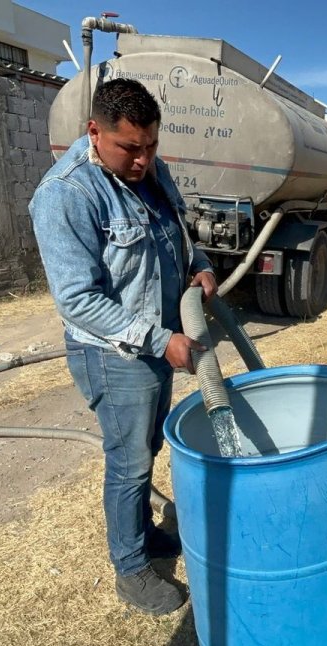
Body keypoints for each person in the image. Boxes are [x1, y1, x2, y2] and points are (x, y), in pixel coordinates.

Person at [29, 78, 217, 616]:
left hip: (158, 346)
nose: (143, 159)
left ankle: (142, 533)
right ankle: (131, 567)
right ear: (94, 131)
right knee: (129, 463)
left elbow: (178, 233)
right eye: (130, 148)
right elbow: (78, 300)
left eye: (151, 146)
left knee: (148, 449)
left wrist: (199, 267)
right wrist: (161, 339)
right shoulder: (67, 194)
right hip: (116, 354)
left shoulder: (151, 172)